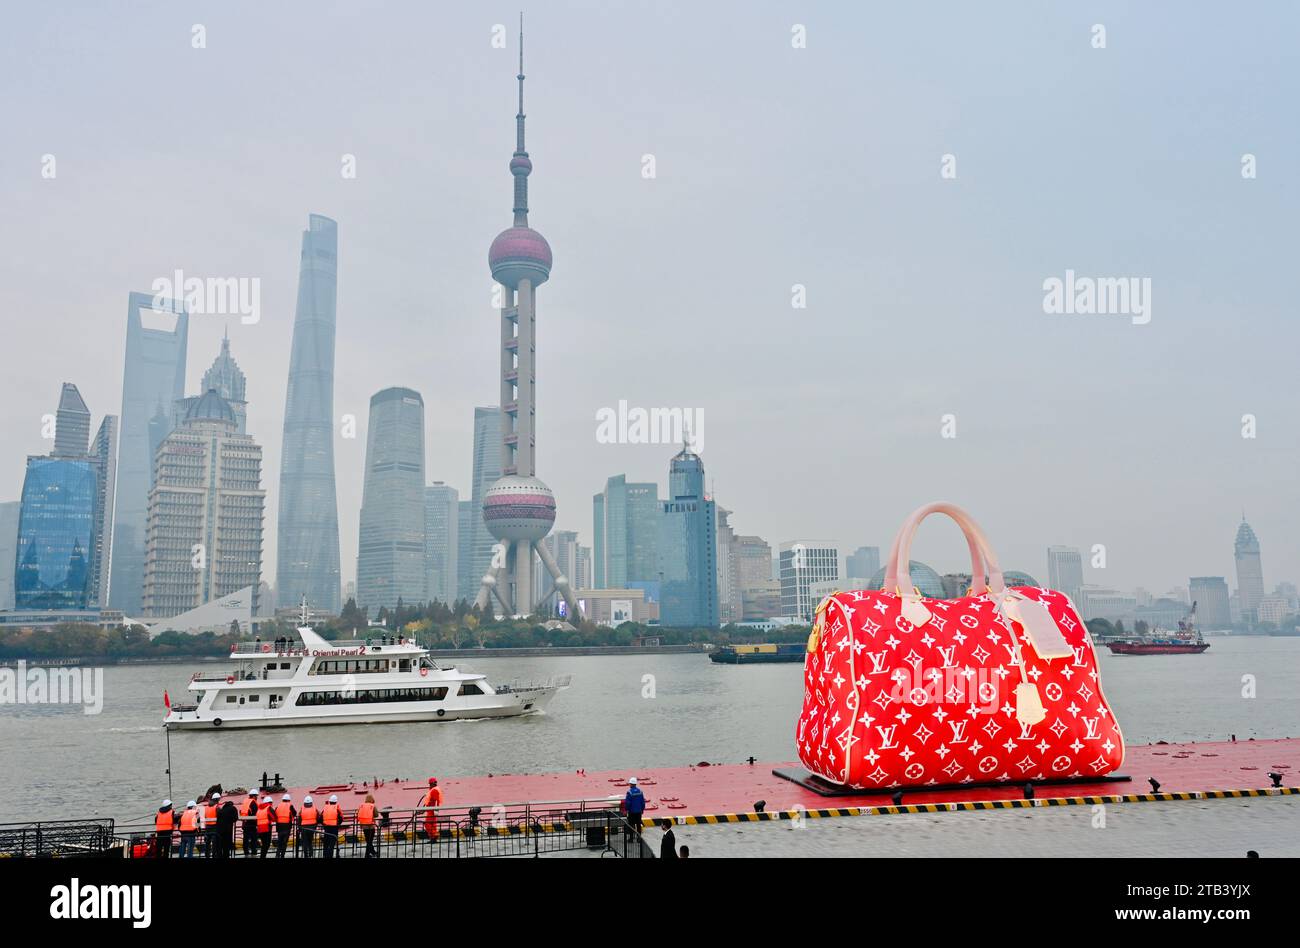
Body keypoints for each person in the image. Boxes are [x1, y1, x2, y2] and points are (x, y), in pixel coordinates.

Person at [274, 793, 296, 858]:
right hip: (287, 827)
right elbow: (294, 813)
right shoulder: (290, 805)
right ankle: (282, 855)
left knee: (279, 842)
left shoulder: (278, 806)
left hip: (279, 826)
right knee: (284, 842)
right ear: (289, 800)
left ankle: (277, 855)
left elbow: (275, 814)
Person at [357, 793, 379, 859]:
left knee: (368, 840)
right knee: (370, 841)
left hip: (364, 826)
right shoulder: (372, 806)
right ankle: (367, 855)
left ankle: (373, 852)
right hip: (371, 826)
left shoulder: (361, 806)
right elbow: (376, 815)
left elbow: (359, 813)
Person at [321, 794, 342, 859]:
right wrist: (337, 824)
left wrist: (324, 824)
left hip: (326, 828)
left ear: (329, 801)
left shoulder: (325, 808)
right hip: (334, 828)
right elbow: (341, 818)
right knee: (332, 844)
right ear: (336, 802)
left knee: (326, 843)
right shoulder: (337, 808)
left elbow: (320, 818)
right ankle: (330, 856)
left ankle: (325, 855)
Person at [239, 790, 259, 855]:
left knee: (245, 839)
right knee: (254, 839)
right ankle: (254, 851)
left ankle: (246, 852)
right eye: (256, 796)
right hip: (251, 824)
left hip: (245, 823)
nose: (257, 797)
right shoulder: (253, 803)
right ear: (253, 796)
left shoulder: (245, 801)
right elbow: (256, 813)